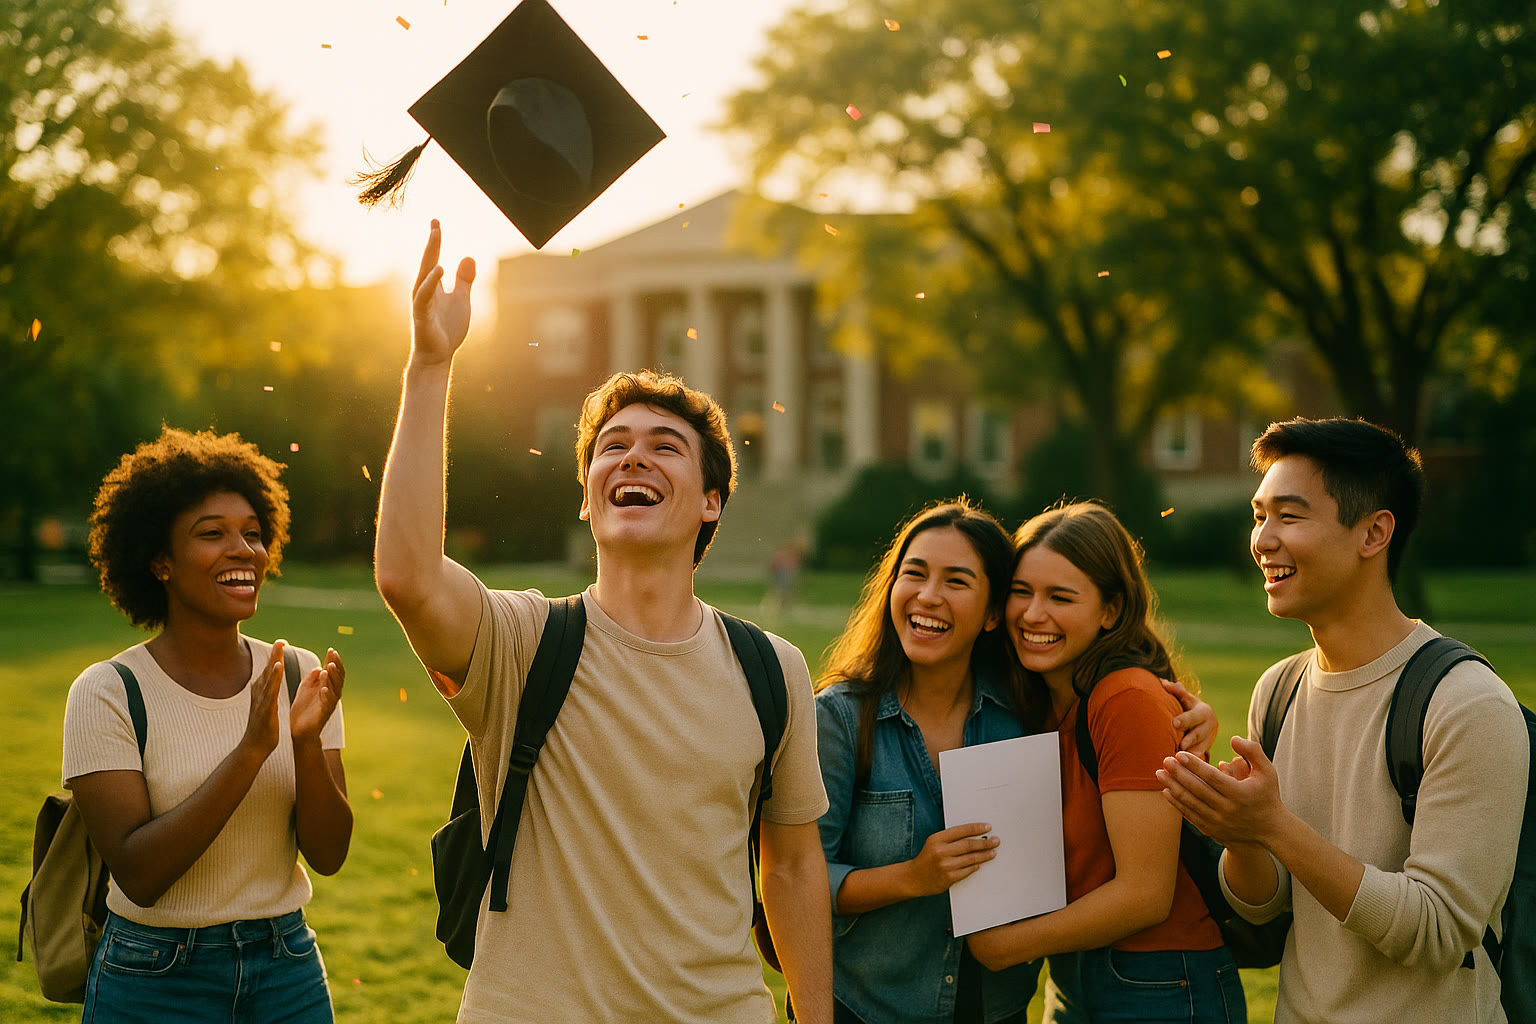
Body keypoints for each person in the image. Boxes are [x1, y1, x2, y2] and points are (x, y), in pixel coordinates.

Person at [373, 221, 833, 1024]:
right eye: (611, 447)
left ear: (712, 500)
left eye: (665, 446)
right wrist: (430, 364)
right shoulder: (522, 644)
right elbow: (407, 577)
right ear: (588, 497)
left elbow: (790, 870)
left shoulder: (773, 669)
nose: (632, 458)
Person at [1158, 417, 1528, 1024]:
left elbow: (1439, 932)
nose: (1263, 540)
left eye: (1290, 516)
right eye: (1259, 516)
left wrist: (1274, 827)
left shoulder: (1465, 703)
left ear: (1373, 532)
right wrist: (1241, 834)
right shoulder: (1278, 688)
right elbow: (1265, 904)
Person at [816, 499, 1220, 1024]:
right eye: (913, 574)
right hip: (874, 1007)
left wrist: (1181, 716)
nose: (929, 596)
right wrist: (912, 877)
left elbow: (1140, 873)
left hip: (1021, 1005)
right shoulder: (844, 718)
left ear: (989, 613)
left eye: (958, 581)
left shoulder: (1025, 713)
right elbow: (798, 876)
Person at [63, 426, 351, 1024]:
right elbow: (140, 874)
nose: (243, 549)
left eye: (252, 533)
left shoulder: (300, 675)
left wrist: (302, 743)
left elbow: (328, 854)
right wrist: (249, 751)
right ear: (160, 560)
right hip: (154, 977)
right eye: (212, 534)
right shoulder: (109, 692)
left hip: (285, 966)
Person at [967, 502, 1244, 1023]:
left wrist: (1002, 946)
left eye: (1060, 597)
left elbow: (1145, 895)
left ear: (1110, 611)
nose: (1032, 614)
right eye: (1021, 593)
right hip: (1078, 973)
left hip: (1158, 982)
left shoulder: (1124, 698)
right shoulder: (1042, 698)